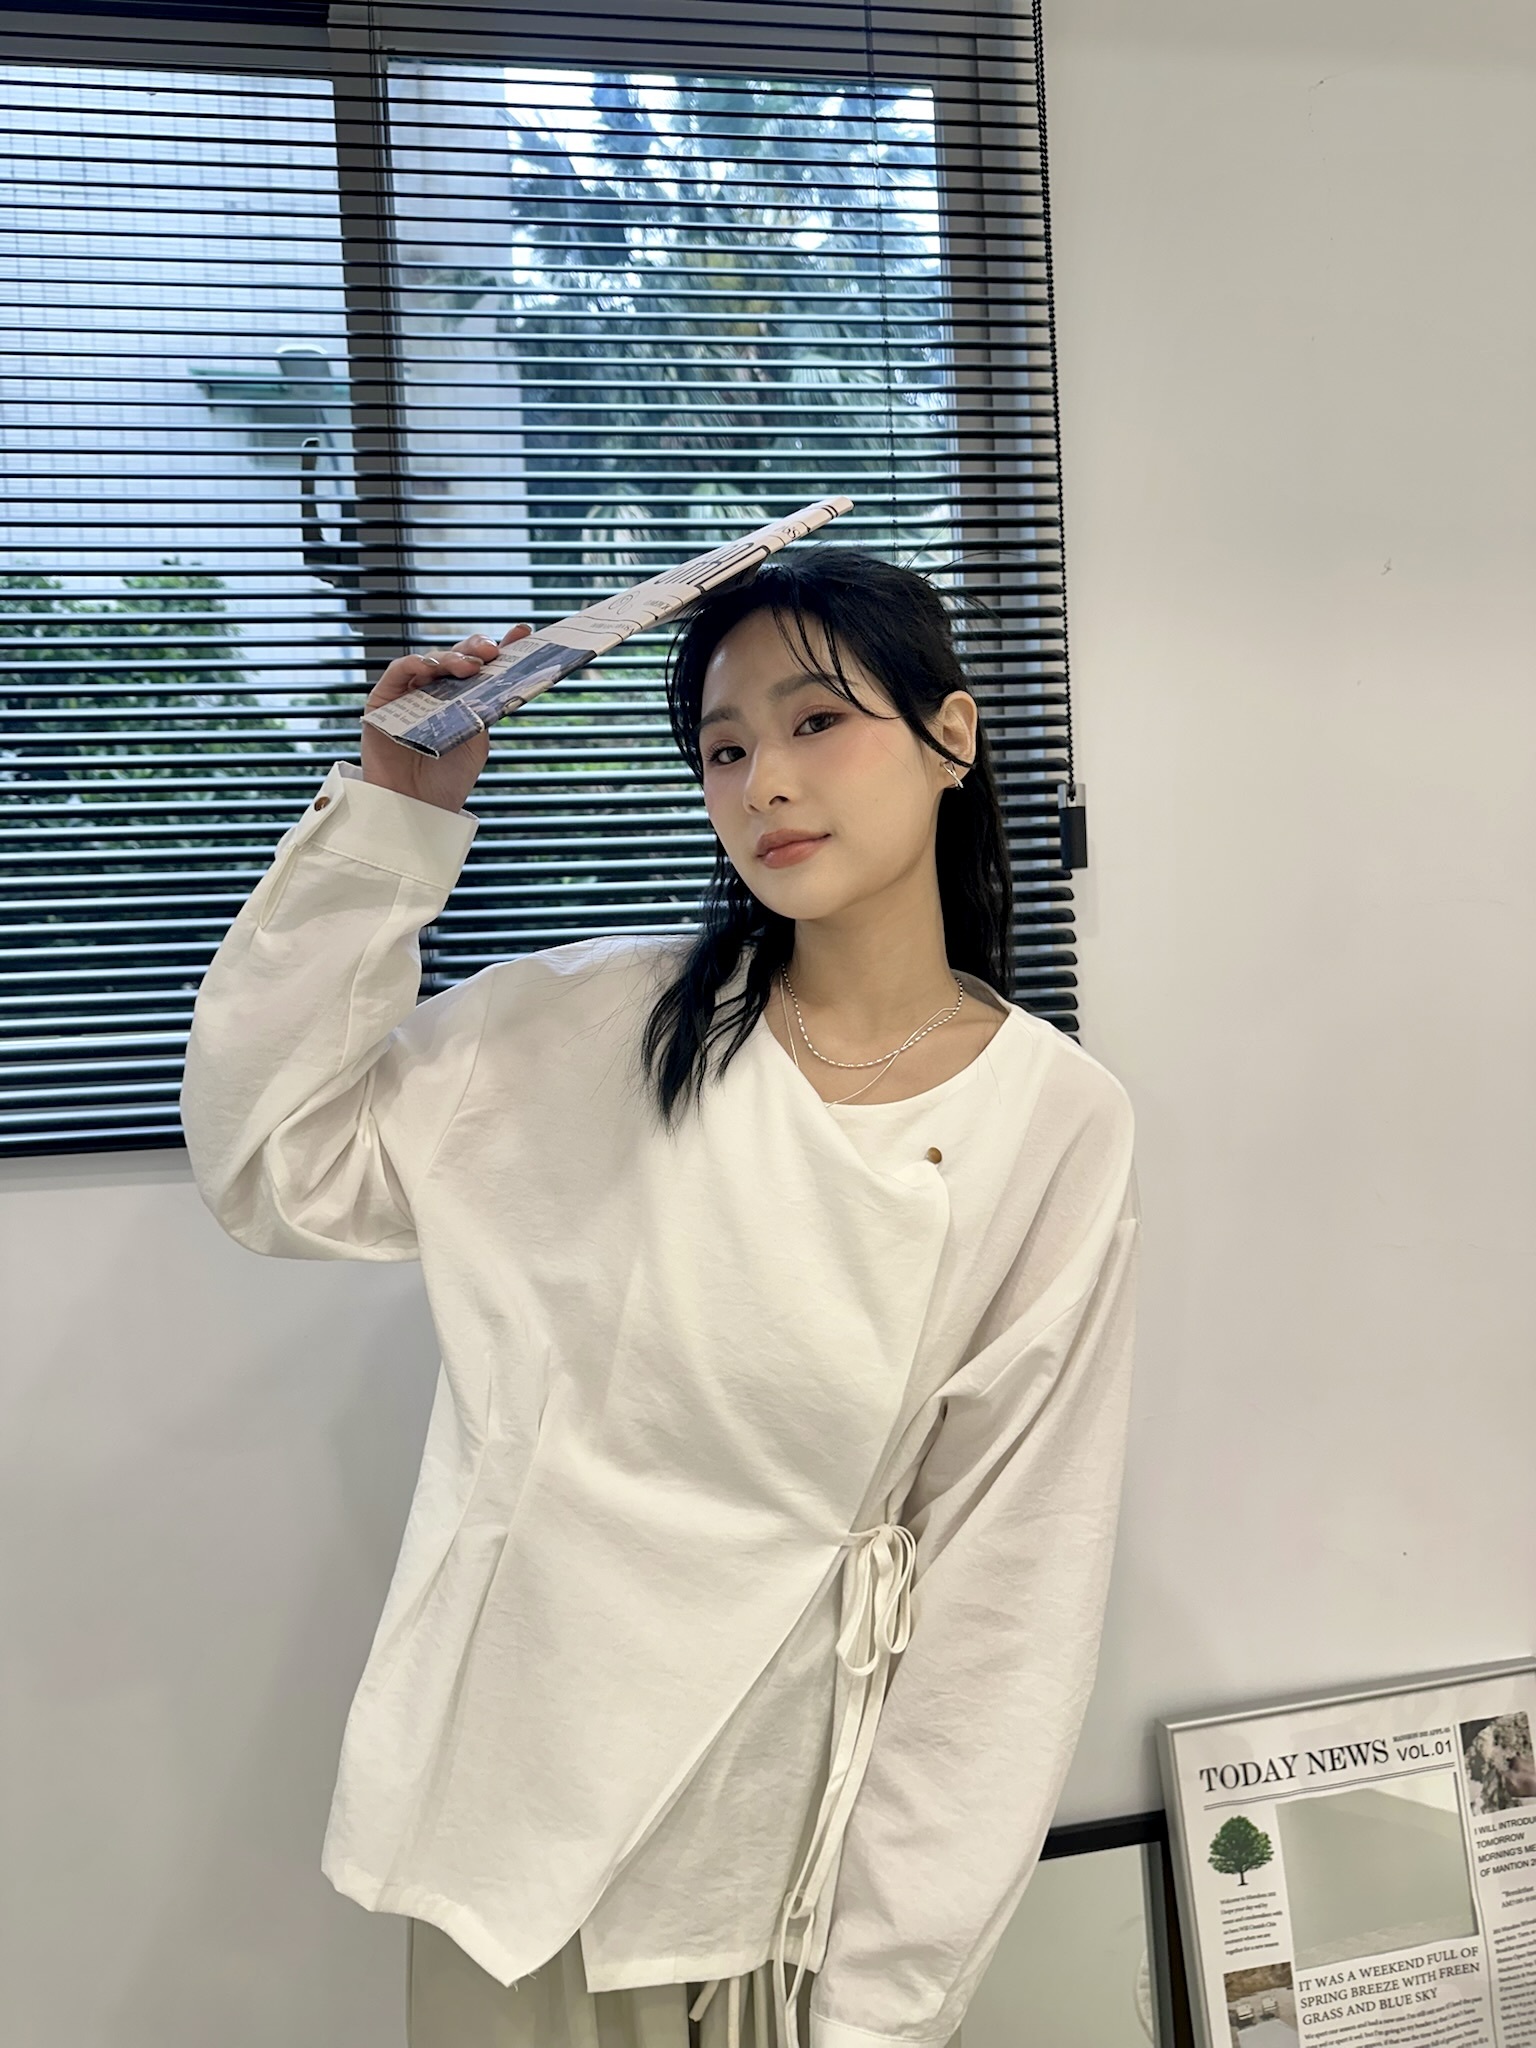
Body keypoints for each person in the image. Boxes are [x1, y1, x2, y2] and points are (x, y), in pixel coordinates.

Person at [179, 547, 1141, 2048]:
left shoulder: (1055, 1119)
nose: (766, 781)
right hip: (519, 1826)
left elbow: (1010, 1588)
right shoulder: (593, 1026)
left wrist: (889, 1988)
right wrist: (389, 825)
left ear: (952, 734)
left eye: (816, 722)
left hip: (778, 1856)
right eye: (724, 748)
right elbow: (273, 1161)